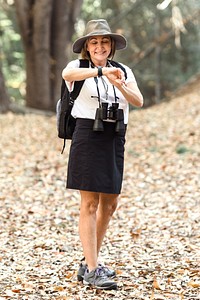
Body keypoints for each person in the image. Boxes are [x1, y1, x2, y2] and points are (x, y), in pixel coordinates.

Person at [62, 19, 143, 290]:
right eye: (94, 42)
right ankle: (94, 270)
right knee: (89, 204)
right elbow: (67, 76)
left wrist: (118, 82)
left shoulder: (123, 70)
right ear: (87, 46)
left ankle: (88, 262)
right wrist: (99, 73)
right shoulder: (78, 67)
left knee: (110, 203)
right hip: (87, 134)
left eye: (104, 41)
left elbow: (138, 101)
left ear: (111, 46)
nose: (100, 46)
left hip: (115, 135)